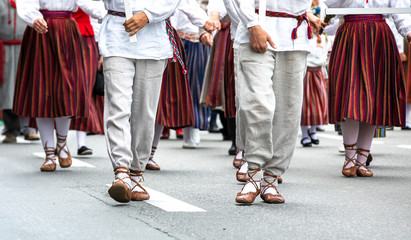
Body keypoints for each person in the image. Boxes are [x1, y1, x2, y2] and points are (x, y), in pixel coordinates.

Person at [233, 0, 319, 204]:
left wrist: (312, 12)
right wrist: (251, 24)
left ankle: (271, 178)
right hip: (256, 28)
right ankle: (253, 174)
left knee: (287, 111)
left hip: (294, 36)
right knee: (256, 103)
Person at [99, 0, 181, 203]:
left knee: (144, 112)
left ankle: (136, 172)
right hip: (116, 38)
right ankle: (122, 172)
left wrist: (147, 15)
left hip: (153, 41)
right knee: (118, 108)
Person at [14, 0, 104, 171]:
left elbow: (87, 2)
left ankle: (62, 144)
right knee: (41, 92)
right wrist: (33, 18)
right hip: (40, 30)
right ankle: (49, 154)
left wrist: (108, 14)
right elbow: (26, 3)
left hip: (66, 31)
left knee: (67, 91)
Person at [325, 0, 411, 177]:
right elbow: (329, 5)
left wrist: (408, 31)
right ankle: (349, 158)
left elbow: (399, 10)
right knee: (350, 96)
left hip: (378, 36)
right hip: (350, 35)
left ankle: (361, 160)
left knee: (373, 98)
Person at [0, 0, 40, 144]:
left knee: (30, 89)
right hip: (5, 50)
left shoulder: (30, 2)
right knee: (7, 91)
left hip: (28, 48)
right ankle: (11, 130)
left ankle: (29, 128)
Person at [71, 6, 106, 155]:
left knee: (85, 90)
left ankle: (81, 143)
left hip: (87, 41)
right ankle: (57, 143)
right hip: (63, 37)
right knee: (63, 89)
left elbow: (99, 21)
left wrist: (102, 51)